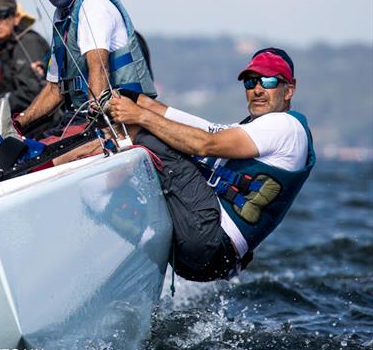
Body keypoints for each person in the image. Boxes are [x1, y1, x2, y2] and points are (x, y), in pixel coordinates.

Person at [108, 48, 315, 281]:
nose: (257, 90)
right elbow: (207, 128)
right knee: (162, 135)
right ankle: (143, 231)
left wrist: (140, 116)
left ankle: (102, 200)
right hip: (213, 257)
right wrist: (146, 104)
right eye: (250, 82)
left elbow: (203, 144)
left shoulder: (284, 126)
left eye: (268, 81)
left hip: (209, 238)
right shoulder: (261, 127)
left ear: (289, 89)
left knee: (146, 135)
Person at [13, 0, 156, 139]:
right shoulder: (62, 16)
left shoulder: (93, 5)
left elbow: (100, 68)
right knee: (19, 154)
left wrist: (91, 130)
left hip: (117, 118)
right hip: (77, 116)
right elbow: (55, 89)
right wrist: (19, 122)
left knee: (41, 158)